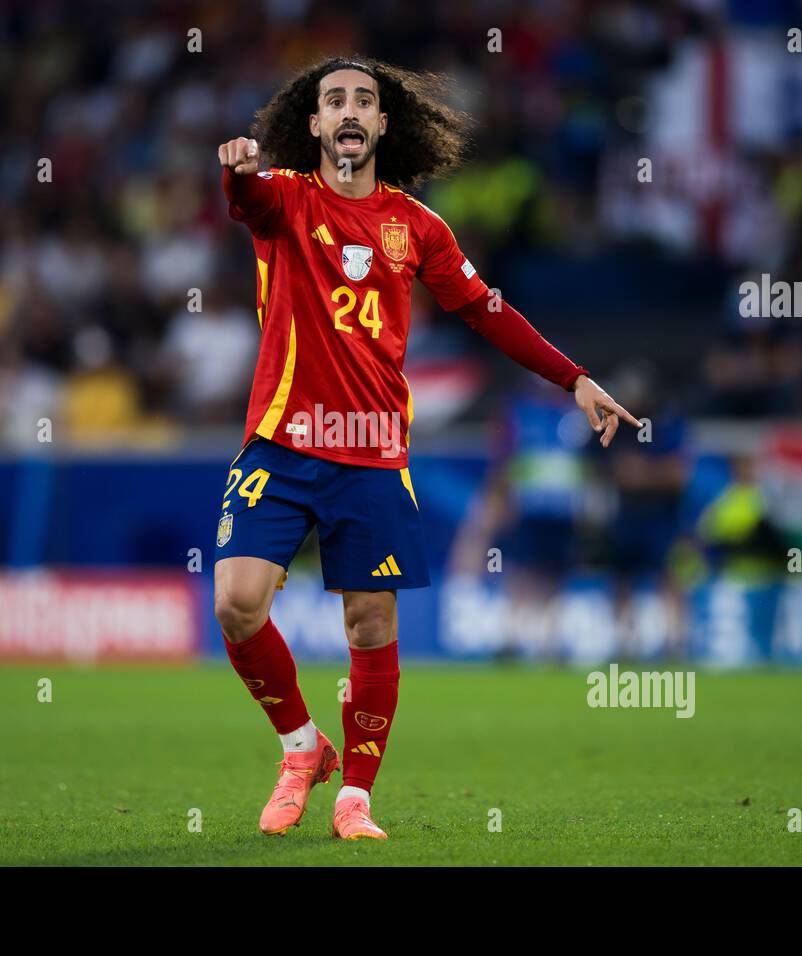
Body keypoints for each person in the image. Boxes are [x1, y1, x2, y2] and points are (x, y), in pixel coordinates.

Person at [213, 57, 640, 841]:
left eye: (363, 102)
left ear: (381, 126)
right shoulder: (283, 197)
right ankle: (302, 748)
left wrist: (573, 378)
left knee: (370, 628)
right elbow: (245, 203)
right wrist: (237, 174)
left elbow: (486, 312)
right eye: (332, 99)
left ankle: (356, 799)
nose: (347, 110)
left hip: (373, 455)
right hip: (280, 445)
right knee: (237, 605)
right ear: (313, 125)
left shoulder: (416, 226)